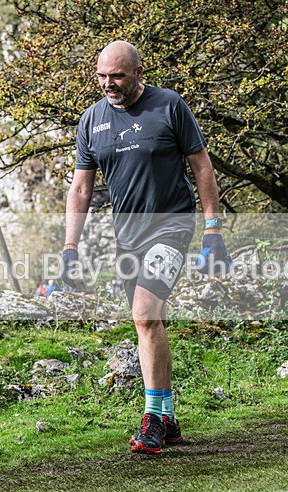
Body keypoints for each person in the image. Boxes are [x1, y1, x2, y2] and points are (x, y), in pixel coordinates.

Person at [61, 41, 229, 455]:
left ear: (138, 71)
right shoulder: (92, 121)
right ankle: (168, 418)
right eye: (101, 76)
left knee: (144, 313)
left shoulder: (169, 105)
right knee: (149, 324)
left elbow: (201, 165)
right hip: (127, 236)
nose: (108, 84)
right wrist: (69, 246)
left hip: (172, 224)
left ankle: (152, 417)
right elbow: (81, 188)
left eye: (116, 76)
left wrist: (212, 228)